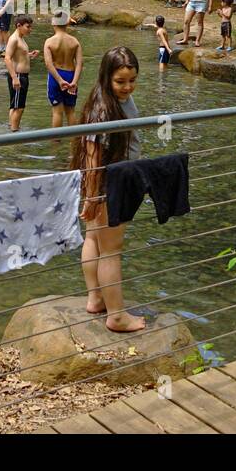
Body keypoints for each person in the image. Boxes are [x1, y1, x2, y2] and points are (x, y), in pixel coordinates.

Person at [72, 45, 146, 333]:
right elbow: (92, 156)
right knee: (112, 249)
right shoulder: (102, 109)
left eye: (132, 80)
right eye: (120, 81)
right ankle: (116, 315)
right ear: (106, 78)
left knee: (93, 238)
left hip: (107, 181)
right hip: (108, 183)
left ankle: (96, 297)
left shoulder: (110, 100)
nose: (127, 87)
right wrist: (93, 195)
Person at [43, 9, 82, 128]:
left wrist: (60, 81)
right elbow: (80, 63)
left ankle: (56, 143)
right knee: (71, 111)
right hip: (71, 75)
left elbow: (48, 64)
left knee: (57, 112)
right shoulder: (75, 42)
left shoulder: (49, 42)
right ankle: (74, 143)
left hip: (56, 77)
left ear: (53, 23)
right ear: (67, 23)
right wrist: (74, 82)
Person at [4, 13, 34, 131]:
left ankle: (12, 128)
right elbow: (7, 58)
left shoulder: (20, 38)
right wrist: (15, 78)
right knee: (19, 107)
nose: (30, 29)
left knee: (14, 106)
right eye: (28, 27)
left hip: (21, 76)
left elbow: (18, 55)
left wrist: (29, 55)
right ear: (18, 25)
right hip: (18, 76)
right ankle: (15, 133)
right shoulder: (14, 39)